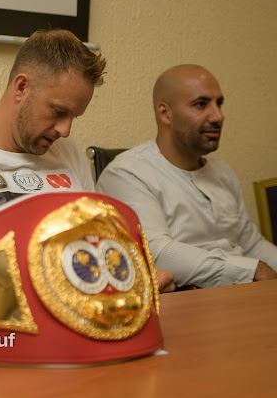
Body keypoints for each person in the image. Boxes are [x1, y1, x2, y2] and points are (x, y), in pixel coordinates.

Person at [0, 29, 175, 293]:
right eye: (59, 111)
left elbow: (96, 245)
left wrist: (138, 275)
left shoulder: (68, 152)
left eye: (74, 116)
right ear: (21, 87)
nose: (65, 130)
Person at [96, 64, 277, 288]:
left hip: (245, 294)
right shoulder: (127, 174)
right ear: (166, 113)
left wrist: (258, 269)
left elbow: (251, 244)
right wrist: (251, 271)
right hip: (190, 304)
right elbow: (156, 252)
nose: (218, 116)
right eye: (201, 105)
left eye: (218, 104)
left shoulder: (222, 172)